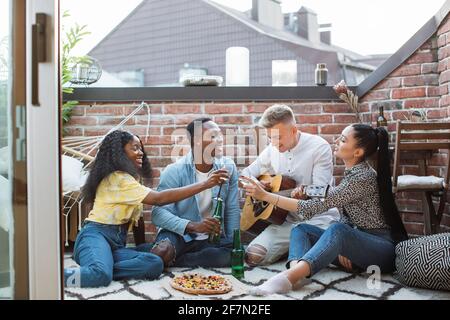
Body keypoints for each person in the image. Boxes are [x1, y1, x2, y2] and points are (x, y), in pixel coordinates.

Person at [241, 124, 408, 295]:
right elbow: (336, 199)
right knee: (301, 228)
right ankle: (298, 274)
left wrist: (266, 196)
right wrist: (348, 244)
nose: (336, 141)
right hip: (360, 243)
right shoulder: (352, 173)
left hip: (380, 250)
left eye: (343, 140)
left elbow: (315, 206)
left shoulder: (363, 177)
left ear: (357, 152)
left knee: (338, 229)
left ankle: (287, 278)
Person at [64, 130, 228, 287]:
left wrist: (142, 249)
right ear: (119, 153)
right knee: (99, 275)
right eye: (134, 148)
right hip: (94, 237)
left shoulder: (132, 180)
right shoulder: (117, 178)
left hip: (115, 246)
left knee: (154, 263)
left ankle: (103, 265)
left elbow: (138, 222)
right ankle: (63, 275)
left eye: (140, 148)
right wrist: (206, 184)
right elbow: (159, 199)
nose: (141, 152)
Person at [241, 104, 340, 266]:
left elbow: (321, 191)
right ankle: (298, 249)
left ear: (293, 130)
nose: (274, 143)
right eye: (270, 137)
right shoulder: (271, 149)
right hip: (287, 222)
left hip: (318, 220)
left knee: (316, 257)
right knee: (253, 256)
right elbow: (245, 174)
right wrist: (257, 183)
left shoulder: (319, 147)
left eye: (278, 137)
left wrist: (304, 193)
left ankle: (304, 248)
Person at [151, 118, 241, 267]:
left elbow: (232, 208)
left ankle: (179, 260)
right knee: (162, 251)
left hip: (211, 238)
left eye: (220, 135)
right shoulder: (174, 171)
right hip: (180, 234)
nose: (220, 140)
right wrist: (193, 226)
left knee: (234, 254)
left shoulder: (228, 167)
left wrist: (233, 241)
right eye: (213, 136)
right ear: (197, 141)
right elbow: (157, 214)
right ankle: (179, 255)